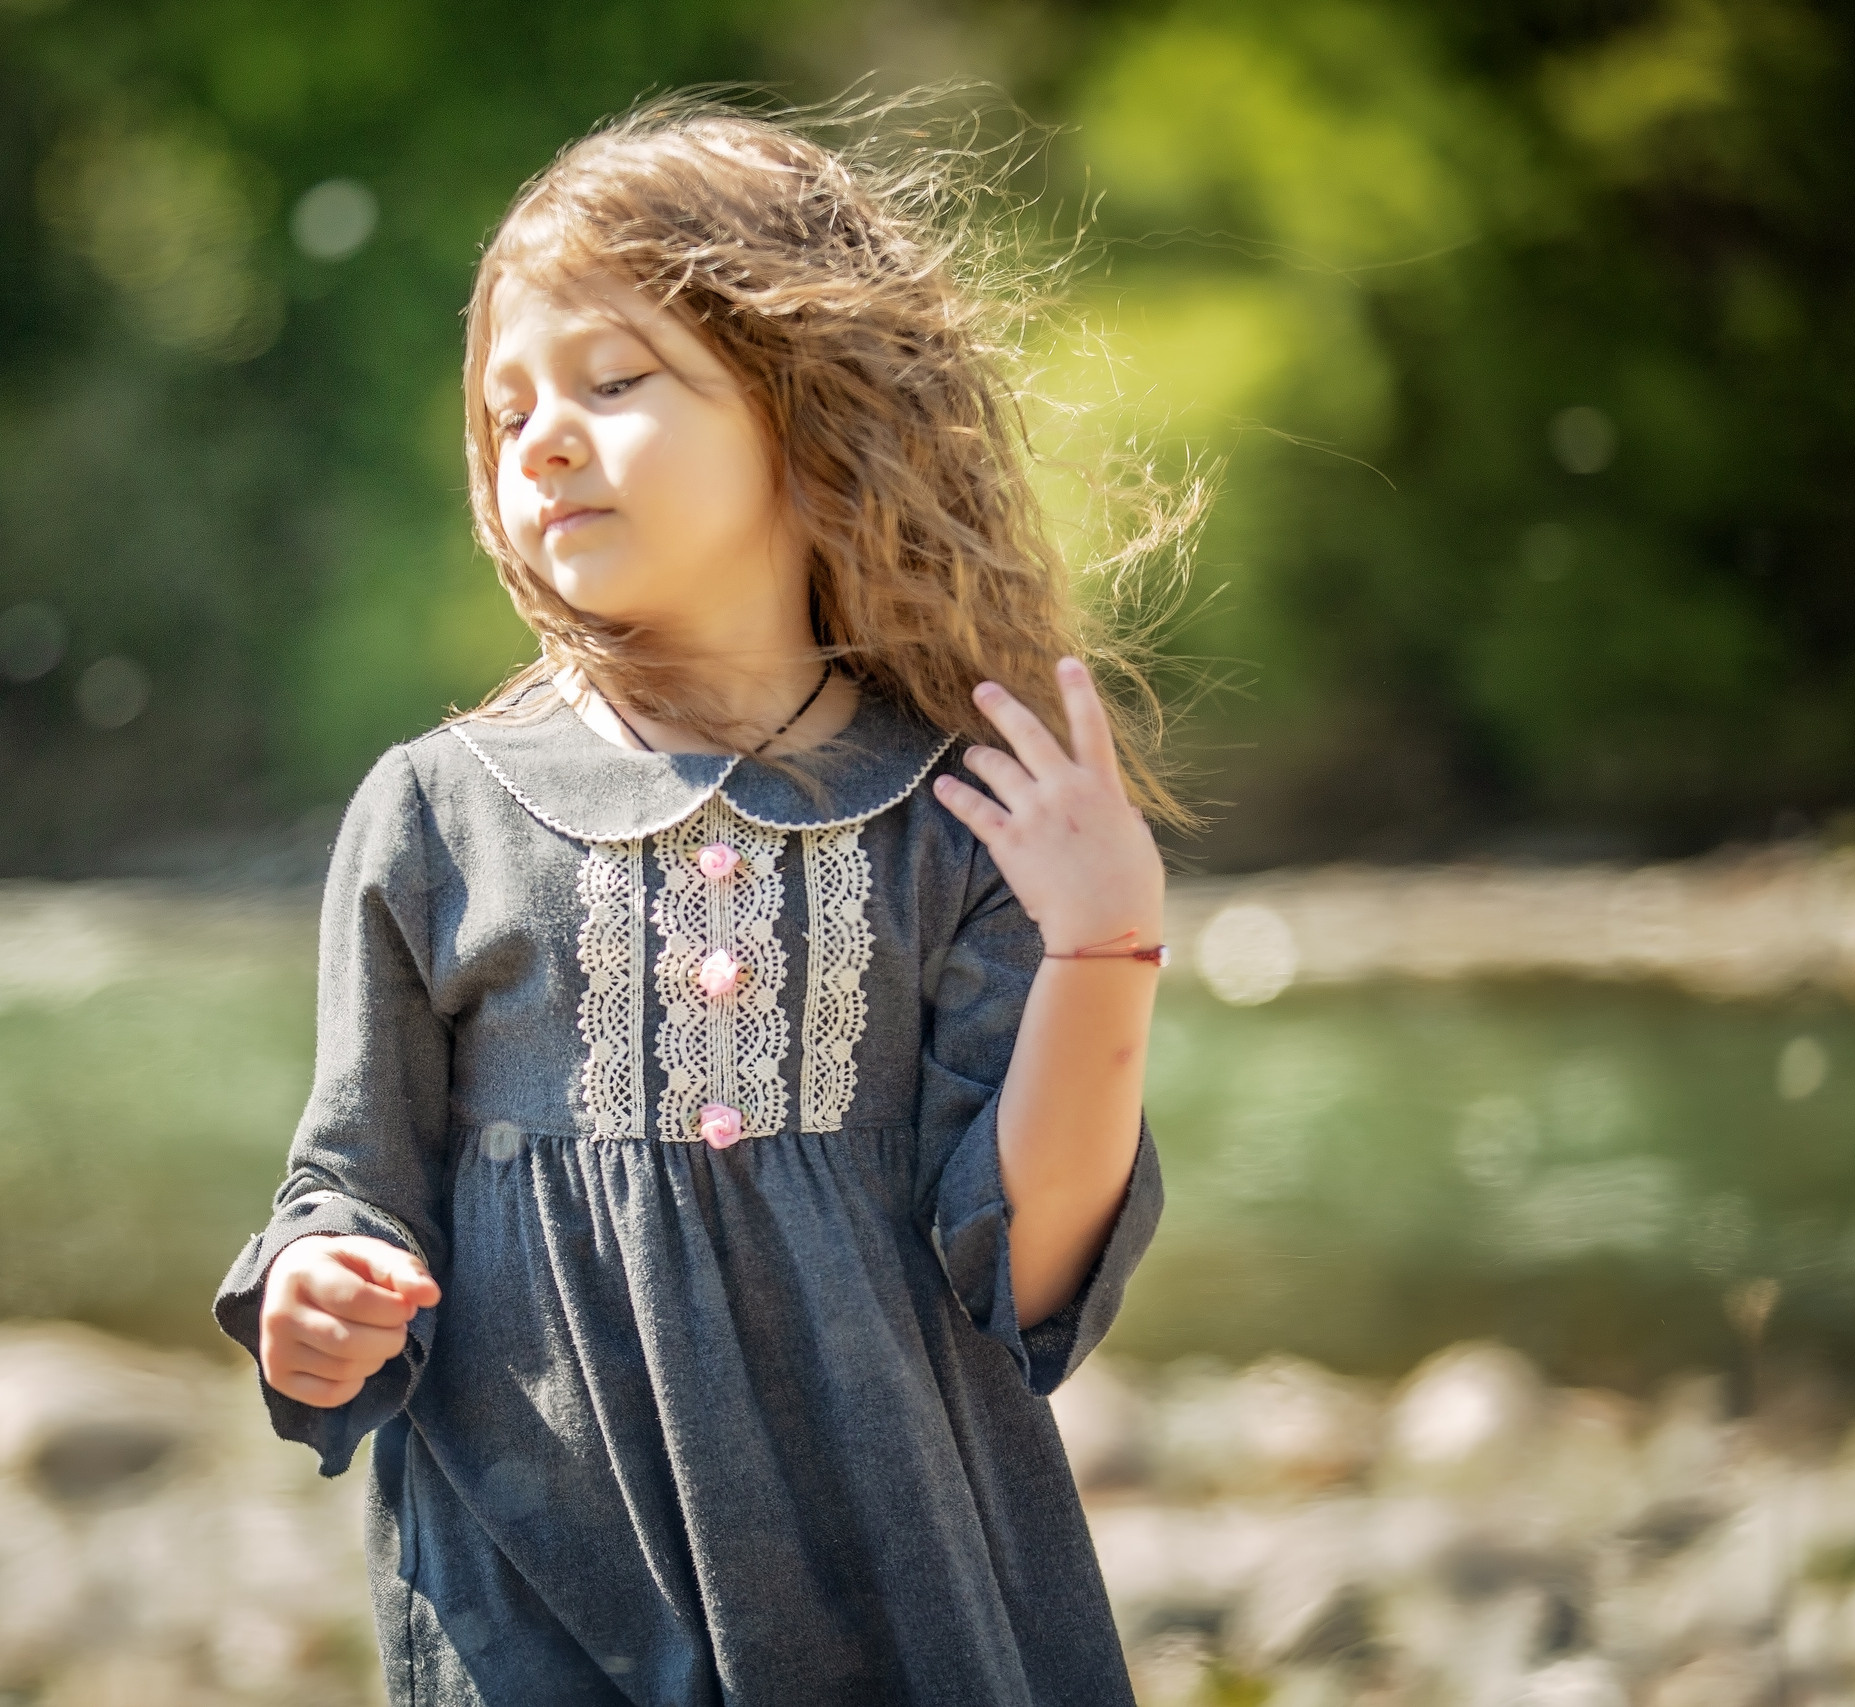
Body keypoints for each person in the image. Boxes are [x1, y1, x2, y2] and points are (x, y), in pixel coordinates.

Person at [215, 95, 1186, 1705]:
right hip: (537, 1595)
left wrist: (1107, 944)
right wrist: (313, 1294)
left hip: (896, 1594)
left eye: (614, 380)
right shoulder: (439, 815)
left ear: (809, 411)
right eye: (505, 408)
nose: (539, 437)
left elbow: (1023, 1278)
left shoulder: (958, 814)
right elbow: (351, 1179)